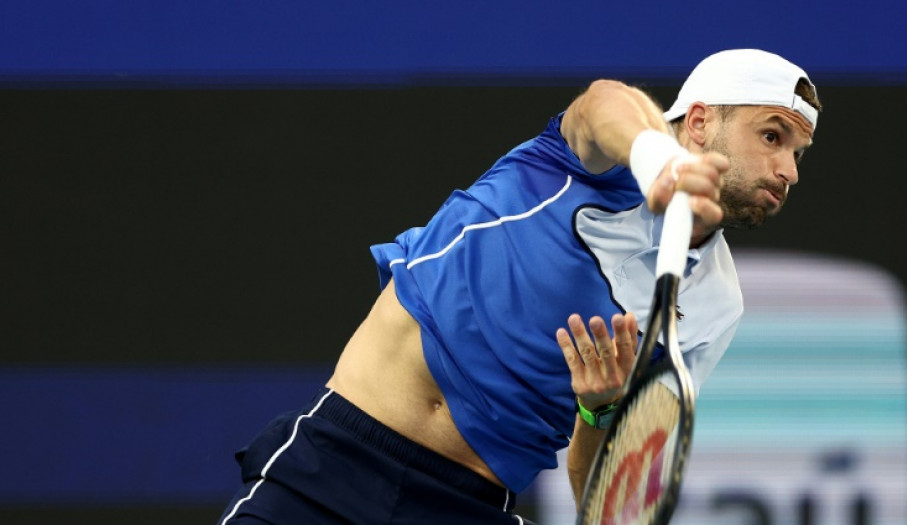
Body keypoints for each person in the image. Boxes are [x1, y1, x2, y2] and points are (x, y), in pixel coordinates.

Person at [216, 48, 822, 524]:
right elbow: (603, 102)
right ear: (697, 121)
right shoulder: (590, 161)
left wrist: (600, 409)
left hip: (468, 506)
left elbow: (607, 505)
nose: (789, 171)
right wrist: (656, 161)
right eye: (772, 136)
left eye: (799, 152)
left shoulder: (715, 304)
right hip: (335, 459)